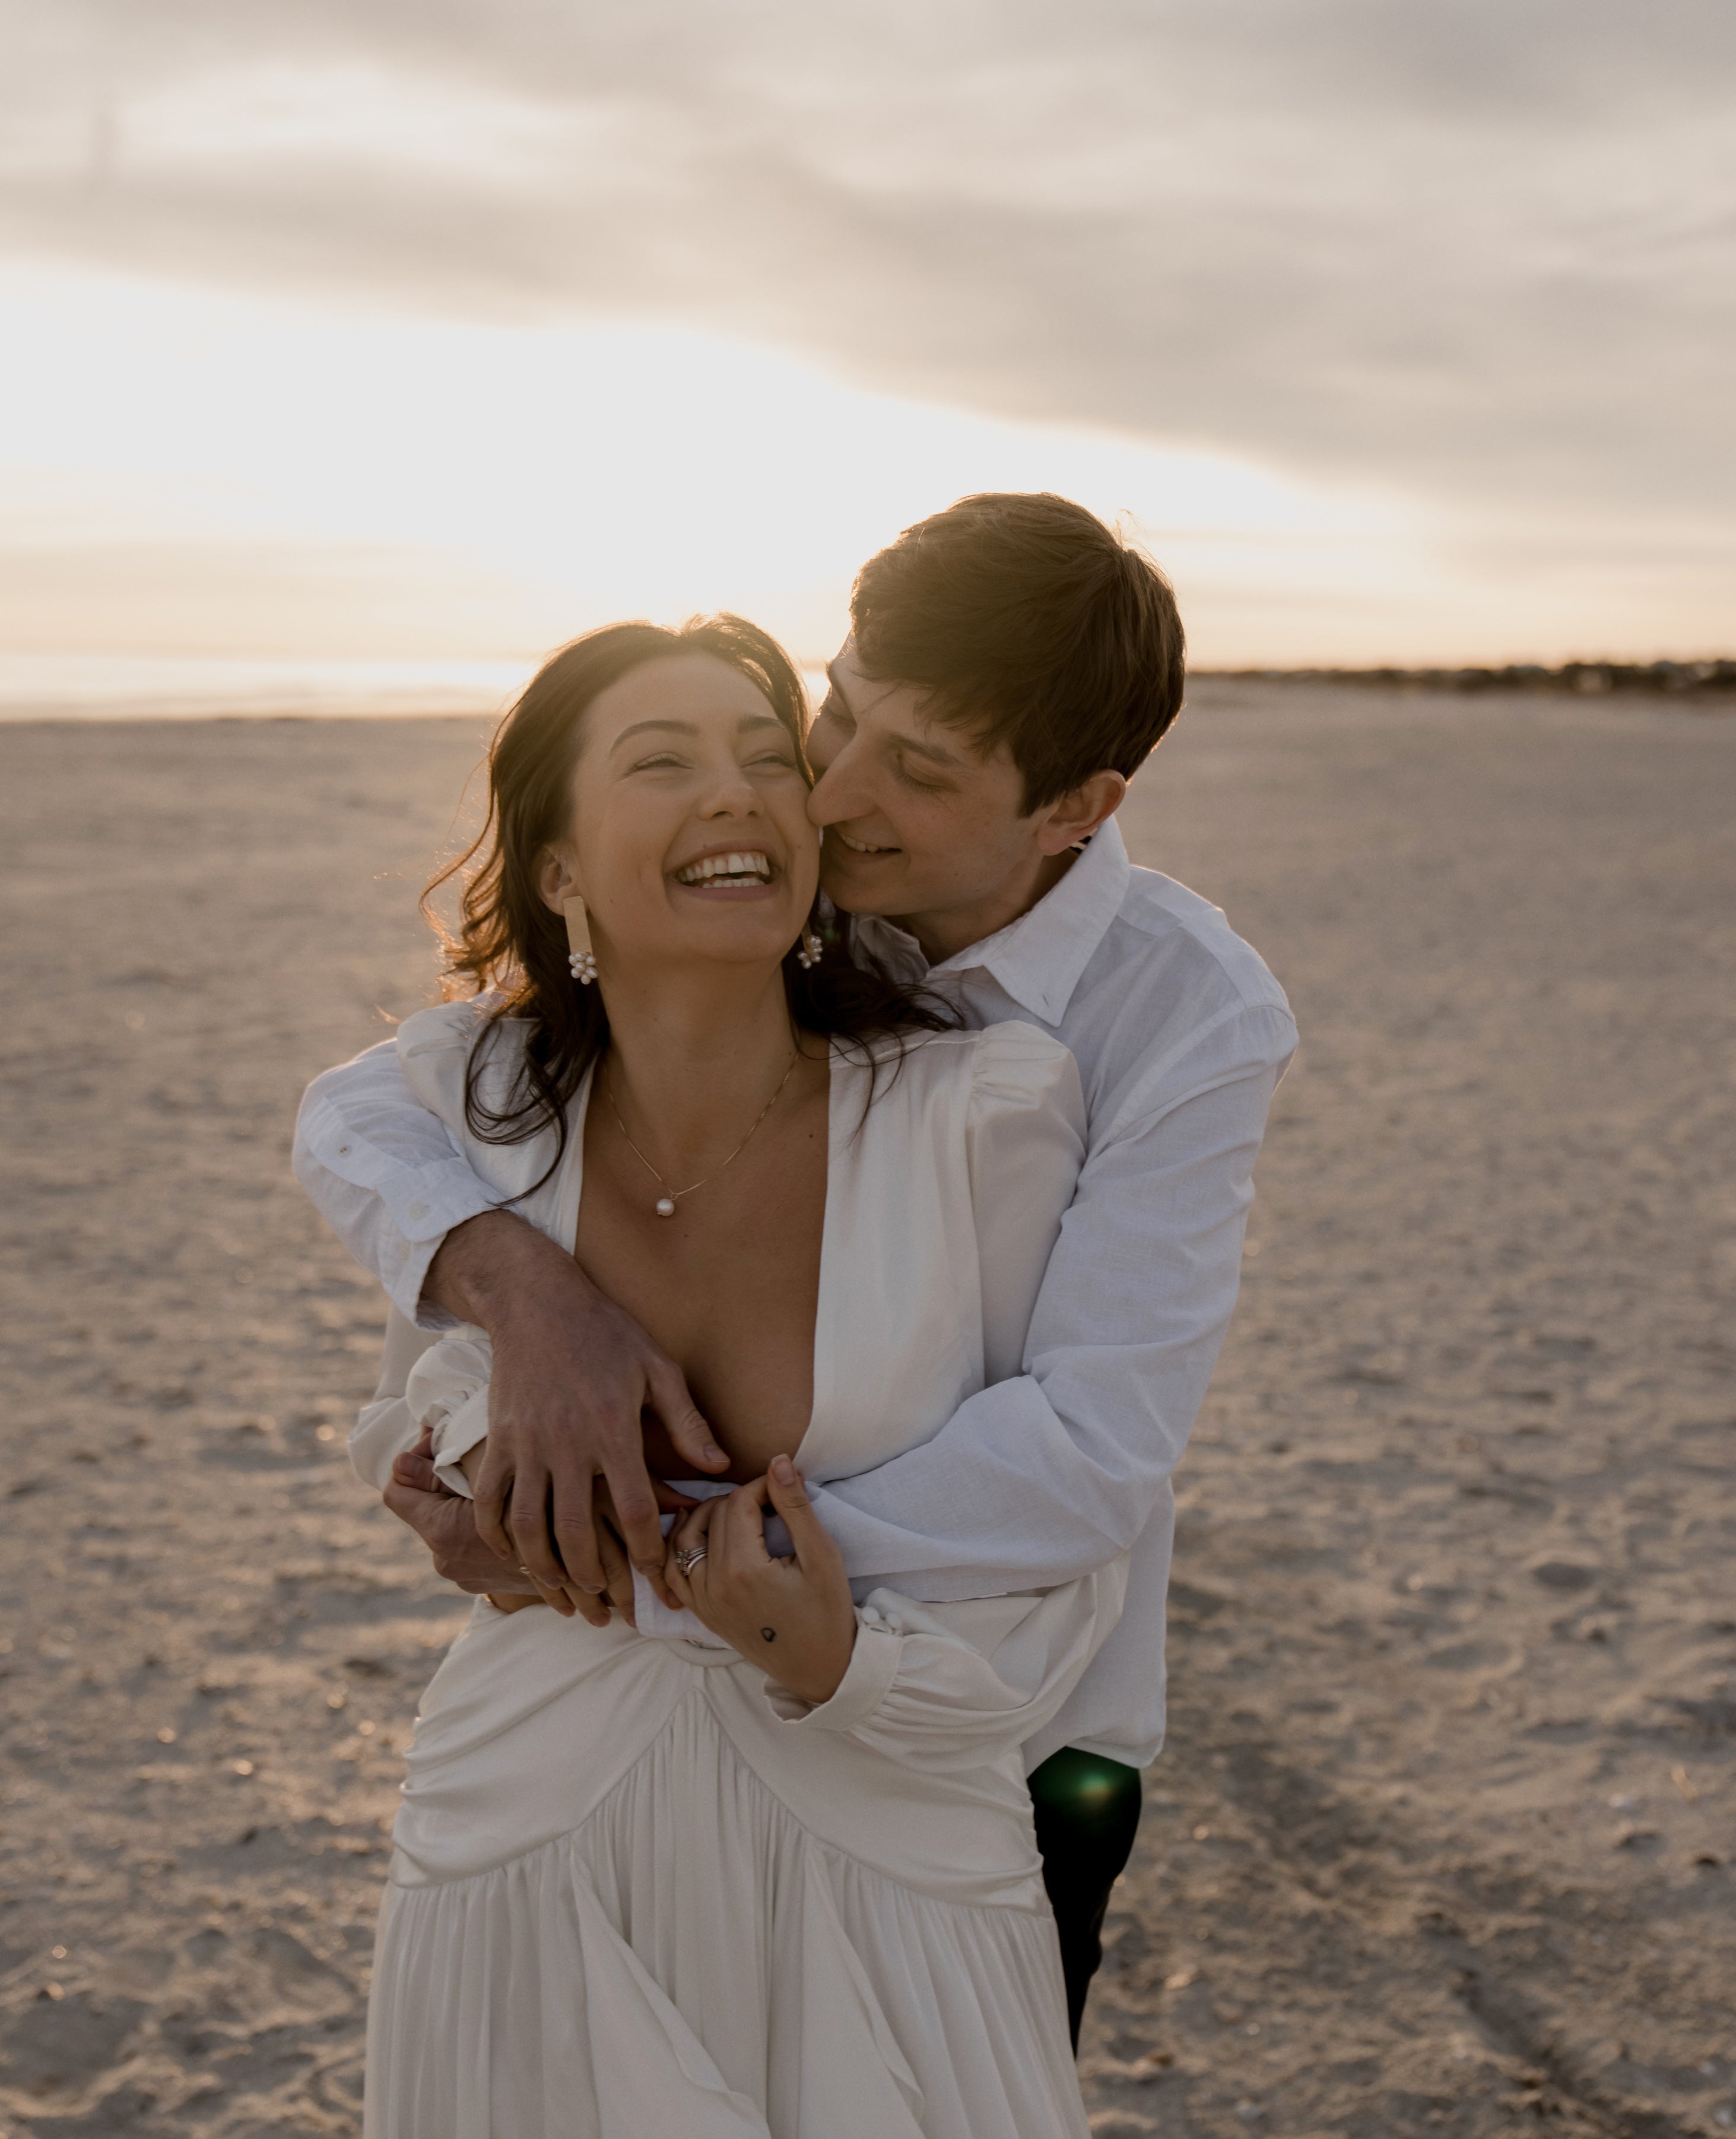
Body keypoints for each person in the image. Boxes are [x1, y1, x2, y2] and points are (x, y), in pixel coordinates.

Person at [334, 611, 1186, 2139]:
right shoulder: (473, 1121)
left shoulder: (984, 1112)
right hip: (530, 1853)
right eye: (661, 758)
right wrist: (504, 1357)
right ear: (558, 866)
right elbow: (414, 1405)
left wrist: (829, 1654)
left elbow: (1067, 1549)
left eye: (760, 749)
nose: (737, 787)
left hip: (876, 1855)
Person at [295, 491, 1297, 2048]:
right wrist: (519, 1294)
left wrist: (640, 1547)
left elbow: (1093, 1447)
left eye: (918, 766)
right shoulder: (786, 866)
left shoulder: (1187, 1014)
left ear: (1075, 808)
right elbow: (386, 1097)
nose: (829, 785)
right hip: (654, 1729)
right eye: (837, 709)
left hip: (1011, 1731)